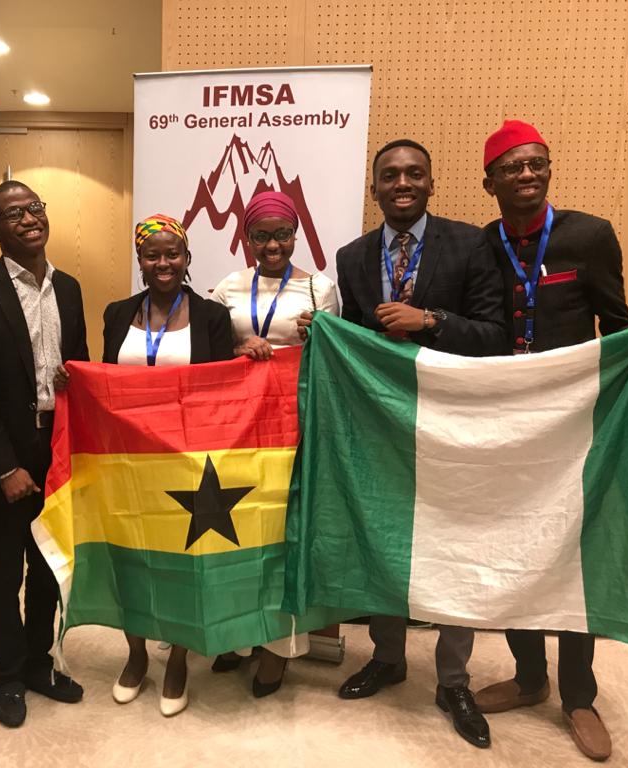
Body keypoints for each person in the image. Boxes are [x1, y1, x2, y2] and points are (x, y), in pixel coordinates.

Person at [473, 119, 628, 762]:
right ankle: (529, 677)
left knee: (573, 553)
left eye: (538, 164)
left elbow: (619, 323)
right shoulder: (480, 245)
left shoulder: (590, 235)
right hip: (502, 421)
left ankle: (578, 695)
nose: (528, 174)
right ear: (489, 182)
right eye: (513, 167)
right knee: (511, 546)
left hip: (574, 423)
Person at [300, 139, 505, 749]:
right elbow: (360, 343)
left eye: (415, 173)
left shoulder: (471, 243)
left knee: (457, 545)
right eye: (390, 175)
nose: (402, 183)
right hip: (384, 425)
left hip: (457, 424)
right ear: (375, 189)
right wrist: (328, 335)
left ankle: (454, 679)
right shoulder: (353, 255)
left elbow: (495, 334)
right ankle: (388, 658)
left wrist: (431, 321)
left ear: (432, 183)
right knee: (383, 535)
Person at [0, 180, 88, 728]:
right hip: (8, 445)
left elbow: (79, 365)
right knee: (5, 566)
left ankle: (37, 662)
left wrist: (70, 381)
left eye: (35, 207)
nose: (29, 218)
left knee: (50, 564)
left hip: (56, 442)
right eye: (13, 214)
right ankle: (6, 674)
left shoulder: (71, 287)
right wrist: (4, 465)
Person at [100, 213, 233, 717]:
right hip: (126, 460)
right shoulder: (116, 313)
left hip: (187, 460)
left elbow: (222, 389)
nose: (163, 263)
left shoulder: (211, 317)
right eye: (152, 254)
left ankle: (178, 657)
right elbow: (103, 378)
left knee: (183, 560)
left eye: (172, 253)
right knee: (129, 558)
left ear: (187, 258)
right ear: (139, 261)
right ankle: (136, 656)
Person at [209, 190, 339, 696]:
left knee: (283, 533)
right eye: (260, 235)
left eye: (281, 234)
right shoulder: (228, 286)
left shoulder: (319, 289)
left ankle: (278, 649)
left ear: (295, 235)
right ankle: (238, 637)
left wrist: (321, 334)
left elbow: (334, 357)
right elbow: (209, 347)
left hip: (294, 426)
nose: (272, 245)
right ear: (246, 238)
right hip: (238, 427)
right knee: (238, 526)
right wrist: (237, 344)